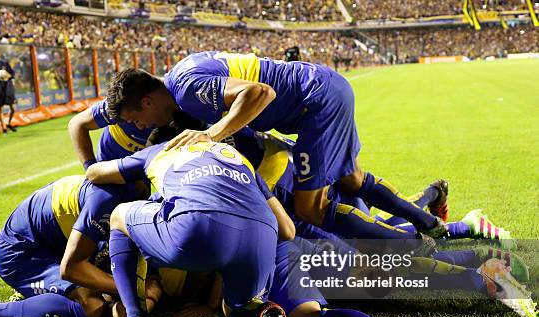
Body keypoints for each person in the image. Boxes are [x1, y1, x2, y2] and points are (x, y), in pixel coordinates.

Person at [99, 56, 449, 248]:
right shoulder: (184, 75)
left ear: (147, 101)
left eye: (137, 119)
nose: (142, 127)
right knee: (352, 180)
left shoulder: (186, 89)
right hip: (326, 87)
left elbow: (260, 92)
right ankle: (429, 223)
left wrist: (210, 134)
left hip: (315, 103)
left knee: (309, 209)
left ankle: (410, 242)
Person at [86, 139, 298, 317]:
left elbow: (95, 173)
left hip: (197, 227)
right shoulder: (236, 156)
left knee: (118, 216)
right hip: (262, 233)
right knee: (238, 308)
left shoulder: (162, 149)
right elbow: (288, 230)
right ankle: (264, 314)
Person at [0, 175, 140, 317]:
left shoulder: (123, 186)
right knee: (92, 306)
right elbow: (70, 268)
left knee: (107, 283)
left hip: (52, 247)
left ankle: (37, 294)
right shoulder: (107, 198)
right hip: (19, 254)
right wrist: (130, 290)